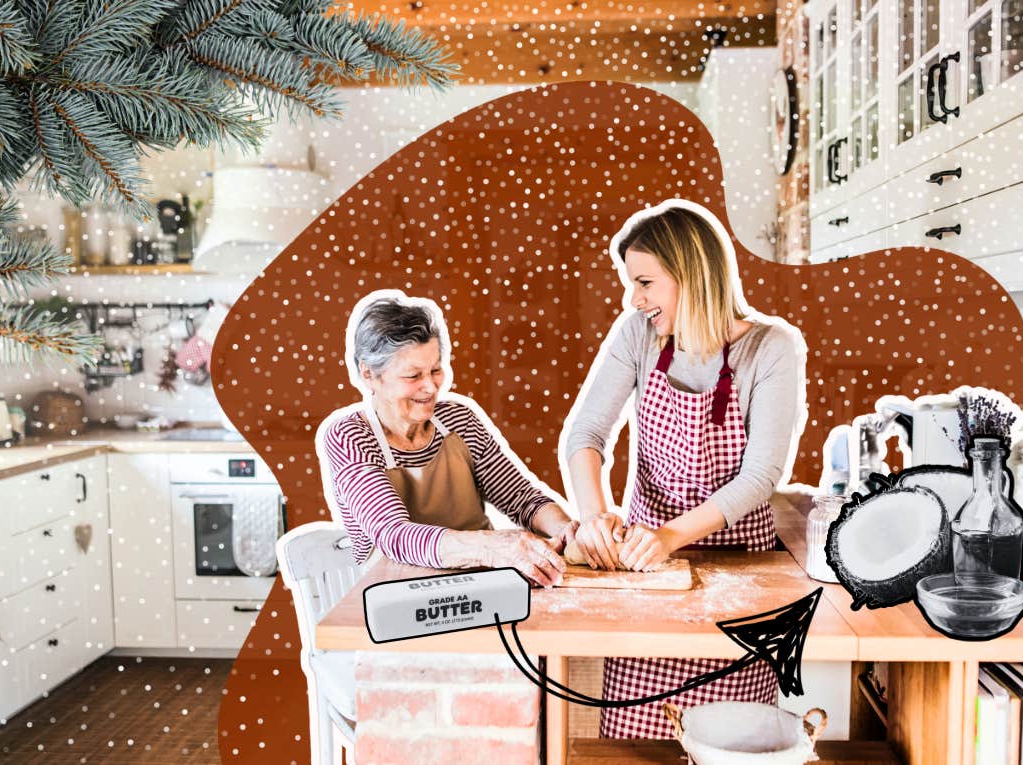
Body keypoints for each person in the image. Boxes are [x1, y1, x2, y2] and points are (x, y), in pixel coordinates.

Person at [560, 200, 807, 738]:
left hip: (741, 576)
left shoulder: (771, 348)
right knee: (635, 737)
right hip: (648, 577)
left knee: (727, 739)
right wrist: (594, 517)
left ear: (690, 273)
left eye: (645, 282)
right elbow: (585, 436)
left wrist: (670, 536)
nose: (634, 298)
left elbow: (762, 475)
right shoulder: (638, 334)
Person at [319, 292, 577, 586]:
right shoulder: (349, 437)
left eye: (436, 370)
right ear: (369, 374)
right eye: (413, 375)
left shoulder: (459, 420)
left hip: (482, 590)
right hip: (393, 601)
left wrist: (567, 531)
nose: (430, 386)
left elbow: (521, 498)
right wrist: (494, 547)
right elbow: (395, 535)